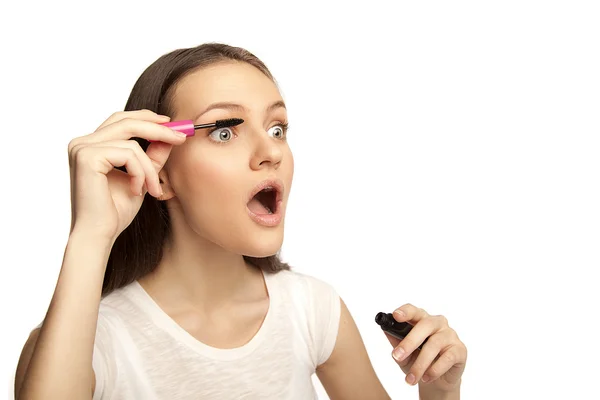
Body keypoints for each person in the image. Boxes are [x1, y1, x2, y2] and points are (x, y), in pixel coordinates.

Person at [14, 43, 467, 400]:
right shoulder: (86, 343)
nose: (271, 151)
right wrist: (92, 234)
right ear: (159, 170)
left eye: (277, 129)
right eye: (225, 130)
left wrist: (440, 392)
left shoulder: (313, 310)